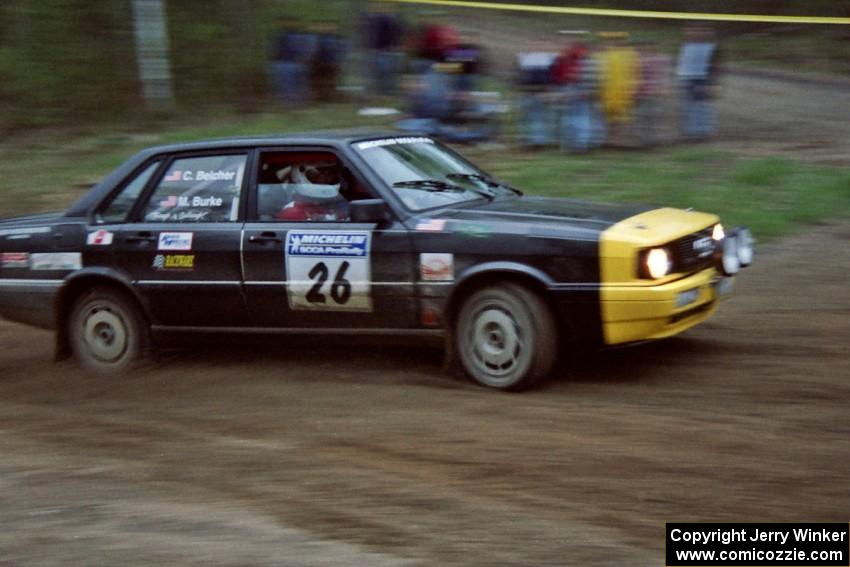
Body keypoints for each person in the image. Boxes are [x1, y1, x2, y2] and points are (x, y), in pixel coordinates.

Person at [676, 25, 721, 140]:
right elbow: (683, 61)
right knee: (688, 106)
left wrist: (713, 83)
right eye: (690, 31)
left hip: (702, 79)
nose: (692, 34)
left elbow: (716, 66)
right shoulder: (686, 46)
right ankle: (691, 131)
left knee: (701, 106)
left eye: (698, 31)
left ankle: (703, 131)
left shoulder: (711, 47)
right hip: (687, 78)